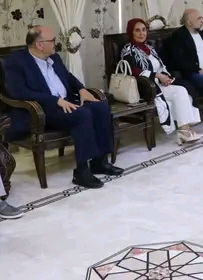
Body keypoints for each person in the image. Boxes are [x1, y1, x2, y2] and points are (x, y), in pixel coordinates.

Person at [3, 26, 123, 189]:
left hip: (66, 103)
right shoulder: (16, 62)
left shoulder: (55, 58)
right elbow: (18, 92)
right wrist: (55, 100)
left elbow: (68, 77)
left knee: (101, 107)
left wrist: (81, 89)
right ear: (39, 45)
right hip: (42, 110)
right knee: (83, 115)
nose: (56, 43)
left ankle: (99, 162)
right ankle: (81, 172)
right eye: (52, 40)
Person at [121, 18, 203, 145]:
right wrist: (157, 76)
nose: (142, 33)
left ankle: (184, 130)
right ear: (131, 32)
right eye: (137, 30)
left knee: (182, 90)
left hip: (158, 84)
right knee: (180, 91)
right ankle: (184, 131)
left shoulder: (149, 48)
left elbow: (161, 65)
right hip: (145, 88)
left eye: (143, 30)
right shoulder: (128, 50)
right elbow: (133, 71)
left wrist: (166, 77)